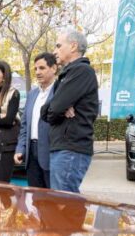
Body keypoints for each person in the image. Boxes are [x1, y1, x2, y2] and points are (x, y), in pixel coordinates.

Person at [41, 30, 100, 194]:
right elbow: (46, 111)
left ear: (73, 46)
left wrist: (57, 107)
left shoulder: (81, 72)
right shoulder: (67, 74)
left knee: (63, 205)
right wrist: (57, 107)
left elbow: (53, 111)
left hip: (71, 148)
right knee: (64, 205)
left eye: (58, 46)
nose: (54, 51)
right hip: (64, 148)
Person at [14, 52, 57, 188]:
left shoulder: (60, 92)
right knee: (35, 199)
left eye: (42, 68)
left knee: (54, 200)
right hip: (31, 155)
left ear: (54, 68)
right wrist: (20, 148)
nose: (38, 72)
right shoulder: (32, 94)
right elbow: (24, 126)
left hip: (52, 154)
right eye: (36, 69)